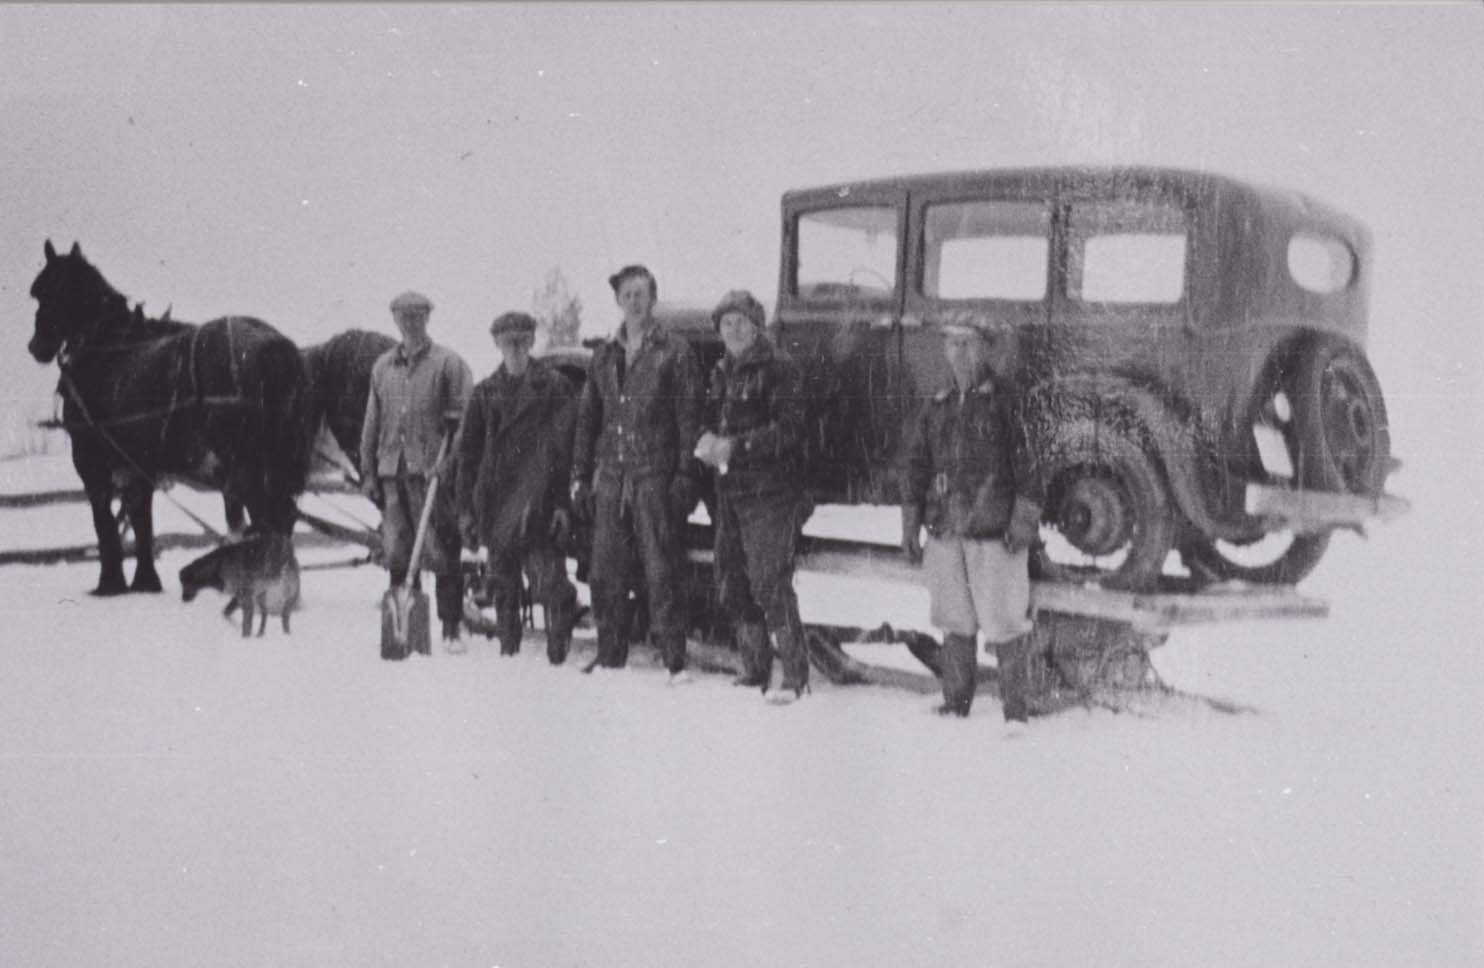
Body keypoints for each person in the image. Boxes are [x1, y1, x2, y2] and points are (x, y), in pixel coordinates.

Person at [900, 315, 1042, 720]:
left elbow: (1032, 467)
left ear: (985, 348)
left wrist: (1023, 523)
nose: (959, 352)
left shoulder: (1008, 400)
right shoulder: (937, 402)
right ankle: (956, 703)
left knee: (1006, 622)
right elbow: (916, 466)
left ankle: (1016, 712)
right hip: (946, 532)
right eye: (952, 344)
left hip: (994, 534)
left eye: (968, 343)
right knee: (954, 619)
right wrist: (910, 525)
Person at [571, 264, 703, 682]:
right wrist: (580, 475)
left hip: (654, 477)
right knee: (605, 569)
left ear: (653, 299)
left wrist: (685, 476)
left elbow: (689, 419)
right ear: (618, 301)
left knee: (661, 569)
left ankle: (673, 659)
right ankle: (610, 653)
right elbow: (588, 420)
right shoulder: (604, 356)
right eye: (627, 295)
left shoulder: (675, 352)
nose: (634, 302)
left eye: (641, 294)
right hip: (611, 475)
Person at [694, 290, 812, 704]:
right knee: (732, 581)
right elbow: (710, 419)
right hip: (732, 491)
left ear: (756, 326)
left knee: (769, 581)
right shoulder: (721, 371)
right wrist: (706, 440)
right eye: (726, 324)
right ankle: (755, 667)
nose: (734, 330)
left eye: (741, 322)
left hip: (771, 493)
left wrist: (737, 447)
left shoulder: (779, 368)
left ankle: (795, 675)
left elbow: (790, 430)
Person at [456, 311, 579, 663]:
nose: (515, 349)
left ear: (531, 342)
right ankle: (508, 653)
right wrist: (466, 511)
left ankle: (558, 652)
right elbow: (467, 458)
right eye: (508, 342)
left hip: (539, 502)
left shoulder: (555, 388)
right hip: (497, 504)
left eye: (522, 341)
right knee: (503, 583)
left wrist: (562, 505)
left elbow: (565, 453)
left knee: (548, 582)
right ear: (497, 344)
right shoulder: (484, 394)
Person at [360, 290, 474, 648]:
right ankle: (405, 628)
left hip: (431, 475)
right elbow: (371, 424)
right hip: (392, 473)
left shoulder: (448, 365)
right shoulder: (382, 369)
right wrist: (368, 471)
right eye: (403, 317)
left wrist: (449, 463)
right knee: (396, 551)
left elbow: (466, 423)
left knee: (441, 551)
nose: (410, 324)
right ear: (395, 320)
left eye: (416, 317)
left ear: (427, 319)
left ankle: (451, 627)